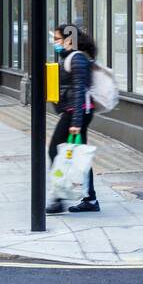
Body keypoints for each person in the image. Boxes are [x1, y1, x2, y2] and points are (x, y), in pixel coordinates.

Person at [47, 24, 100, 214]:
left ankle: (58, 197)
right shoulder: (71, 57)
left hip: (77, 112)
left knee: (56, 150)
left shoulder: (77, 58)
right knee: (78, 155)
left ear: (69, 39)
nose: (55, 43)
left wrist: (76, 122)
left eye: (58, 39)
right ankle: (90, 199)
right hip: (77, 111)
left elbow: (80, 91)